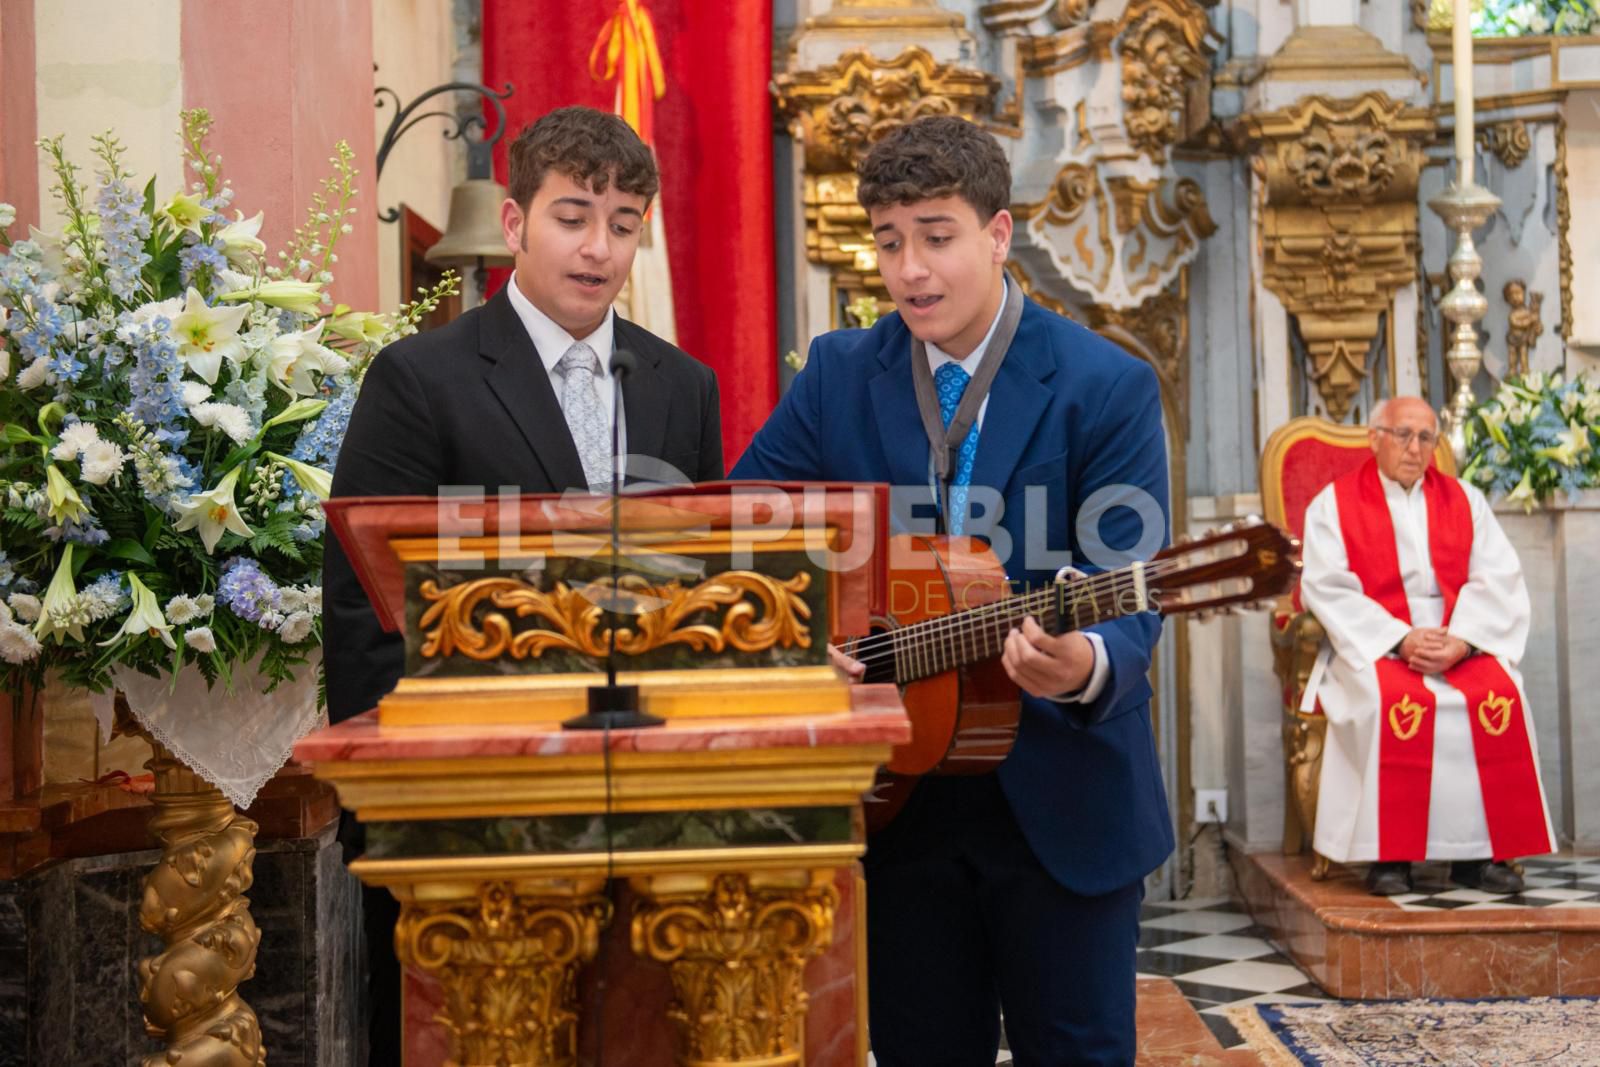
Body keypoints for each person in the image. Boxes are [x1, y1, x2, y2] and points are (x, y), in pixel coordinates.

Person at [731, 115, 1171, 1066]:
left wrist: (1082, 662)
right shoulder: (838, 375)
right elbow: (740, 533)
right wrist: (809, 639)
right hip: (901, 805)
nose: (910, 271)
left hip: (1064, 797)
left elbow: (1131, 590)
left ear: (999, 234)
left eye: (936, 237)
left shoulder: (1106, 384)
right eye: (889, 242)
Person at [323, 105, 724, 1062]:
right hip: (469, 812)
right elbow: (366, 610)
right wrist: (405, 803)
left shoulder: (683, 385)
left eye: (622, 224)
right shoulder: (420, 378)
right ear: (514, 223)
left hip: (653, 810)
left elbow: (706, 585)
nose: (598, 248)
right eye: (572, 217)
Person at [1299, 396, 1553, 897]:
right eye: (1403, 435)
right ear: (1375, 439)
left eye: (1426, 438)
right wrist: (1400, 637)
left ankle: (1478, 856)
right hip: (1374, 641)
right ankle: (1391, 858)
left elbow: (1498, 578)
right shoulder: (1333, 505)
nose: (1415, 449)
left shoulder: (1465, 500)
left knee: (1500, 698)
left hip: (1456, 636)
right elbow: (1327, 587)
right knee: (1392, 703)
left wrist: (1462, 641)